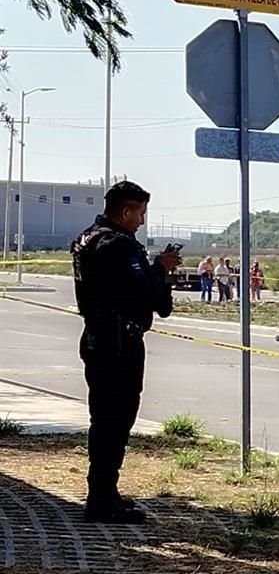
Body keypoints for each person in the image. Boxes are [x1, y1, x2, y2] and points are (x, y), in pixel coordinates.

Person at [71, 181, 181, 524]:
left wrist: (155, 272)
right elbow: (145, 292)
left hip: (100, 336)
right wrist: (161, 268)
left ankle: (105, 493)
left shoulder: (88, 238)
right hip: (118, 341)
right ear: (125, 211)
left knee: (106, 418)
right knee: (115, 420)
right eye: (140, 214)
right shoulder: (116, 245)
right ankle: (101, 499)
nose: (142, 222)